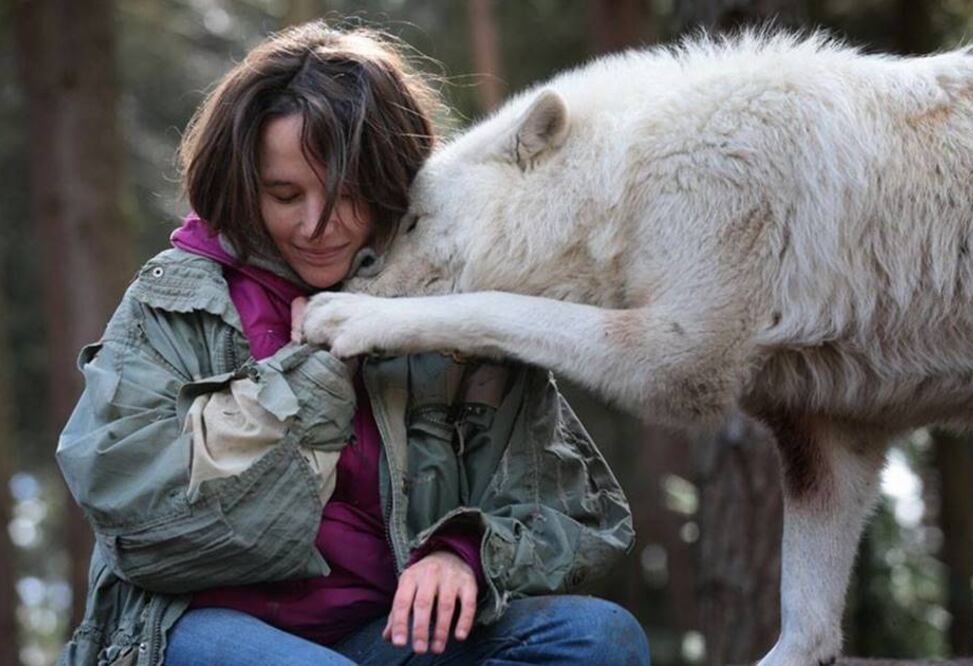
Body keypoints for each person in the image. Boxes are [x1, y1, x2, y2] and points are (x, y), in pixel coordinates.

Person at [56, 21, 648, 666]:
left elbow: (568, 509)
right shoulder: (171, 303)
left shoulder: (450, 304)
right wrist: (316, 369)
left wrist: (465, 555)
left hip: (381, 637)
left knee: (597, 637)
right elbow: (139, 525)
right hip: (189, 633)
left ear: (395, 180)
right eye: (285, 194)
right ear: (243, 184)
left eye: (348, 195)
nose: (317, 226)